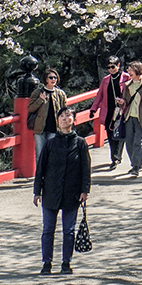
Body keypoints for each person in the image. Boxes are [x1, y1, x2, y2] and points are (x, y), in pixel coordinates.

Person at [32, 106, 90, 274]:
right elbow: (40, 169)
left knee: (69, 230)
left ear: (74, 120)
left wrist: (85, 190)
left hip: (71, 192)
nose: (65, 119)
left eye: (68, 116)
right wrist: (37, 191)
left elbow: (86, 168)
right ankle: (46, 263)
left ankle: (66, 263)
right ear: (58, 121)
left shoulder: (80, 143)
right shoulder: (50, 143)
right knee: (48, 230)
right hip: (51, 192)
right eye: (62, 116)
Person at [89, 56, 128, 170]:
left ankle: (118, 155)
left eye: (113, 66)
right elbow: (99, 95)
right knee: (110, 135)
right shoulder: (106, 79)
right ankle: (114, 158)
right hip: (108, 111)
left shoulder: (126, 77)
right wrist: (93, 109)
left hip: (121, 111)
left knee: (120, 134)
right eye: (109, 67)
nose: (111, 69)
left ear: (118, 65)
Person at [121, 61, 142, 177]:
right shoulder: (128, 86)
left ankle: (135, 167)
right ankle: (137, 163)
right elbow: (126, 101)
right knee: (129, 142)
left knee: (138, 142)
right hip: (130, 116)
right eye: (128, 70)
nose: (129, 72)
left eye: (131, 70)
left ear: (138, 71)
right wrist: (122, 102)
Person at [28, 68, 67, 161]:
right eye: (51, 77)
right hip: (40, 128)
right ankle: (40, 175)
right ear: (45, 79)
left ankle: (50, 175)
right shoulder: (38, 92)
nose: (53, 79)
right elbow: (31, 108)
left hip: (54, 128)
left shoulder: (60, 94)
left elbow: (64, 110)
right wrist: (40, 100)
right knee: (40, 154)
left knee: (53, 154)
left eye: (55, 77)